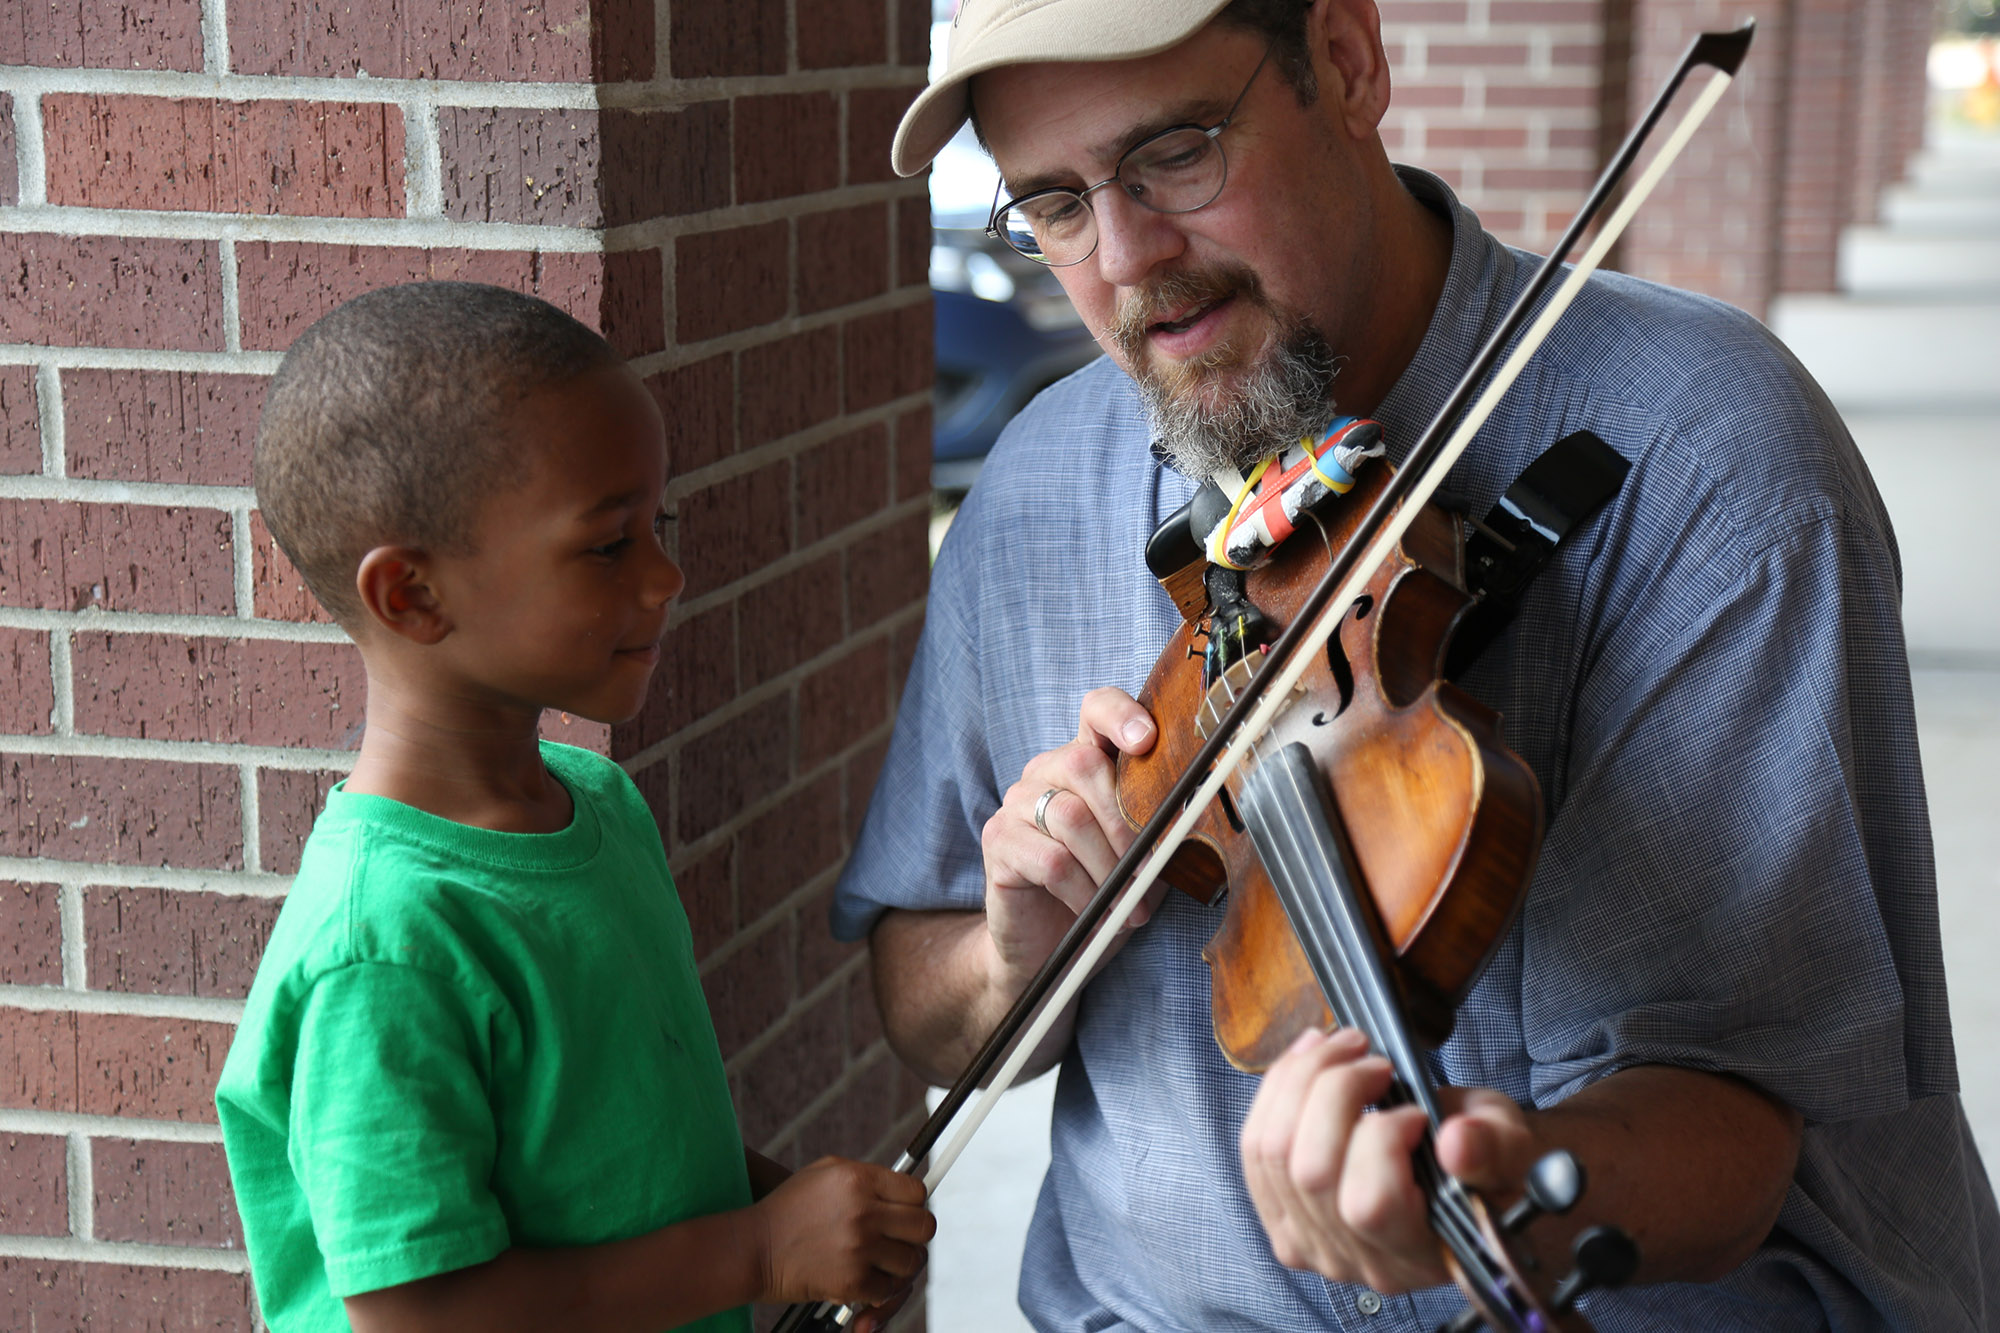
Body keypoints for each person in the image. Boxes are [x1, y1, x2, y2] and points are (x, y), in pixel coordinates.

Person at [832, 0, 2000, 1329]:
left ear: (1346, 58)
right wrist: (1009, 957)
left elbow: (1744, 1121)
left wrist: (1499, 1189)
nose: (1129, 259)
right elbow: (921, 1002)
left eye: (1176, 155)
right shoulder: (1032, 491)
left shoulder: (1707, 455)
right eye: (1053, 204)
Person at [214, 283, 933, 1333]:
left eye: (660, 522)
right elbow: (414, 1315)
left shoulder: (594, 799)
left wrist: (793, 1220)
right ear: (411, 596)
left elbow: (632, 1139)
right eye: (608, 545)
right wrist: (757, 1249)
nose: (666, 574)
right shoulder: (384, 943)